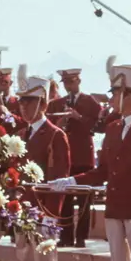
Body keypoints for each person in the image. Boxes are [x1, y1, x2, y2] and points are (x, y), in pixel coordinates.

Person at [52, 60, 131, 261]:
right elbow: (103, 171)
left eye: (115, 94)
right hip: (115, 207)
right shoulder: (113, 128)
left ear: (130, 96)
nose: (111, 100)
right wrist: (73, 181)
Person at [16, 75, 69, 261]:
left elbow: (59, 179)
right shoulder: (21, 134)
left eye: (30, 100)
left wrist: (51, 214)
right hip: (23, 210)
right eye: (22, 101)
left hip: (43, 211)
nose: (24, 105)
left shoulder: (56, 135)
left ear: (44, 104)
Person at [47, 67, 103, 248]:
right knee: (65, 198)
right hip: (66, 155)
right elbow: (51, 127)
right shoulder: (57, 104)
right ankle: (65, 236)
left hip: (83, 155)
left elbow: (95, 127)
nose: (68, 86)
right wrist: (61, 121)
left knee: (84, 198)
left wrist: (78, 117)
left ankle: (81, 237)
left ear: (78, 81)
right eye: (65, 83)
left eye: (71, 82)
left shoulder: (91, 102)